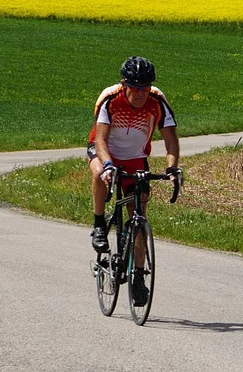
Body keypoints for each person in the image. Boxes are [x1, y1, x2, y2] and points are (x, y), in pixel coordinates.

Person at [87, 55, 181, 306]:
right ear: (124, 84)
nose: (141, 93)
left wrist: (172, 169)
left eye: (145, 87)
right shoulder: (111, 98)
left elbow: (171, 141)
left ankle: (138, 277)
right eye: (135, 88)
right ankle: (98, 223)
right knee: (98, 173)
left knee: (139, 219)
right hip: (105, 152)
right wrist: (107, 165)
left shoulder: (157, 102)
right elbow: (100, 139)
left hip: (136, 158)